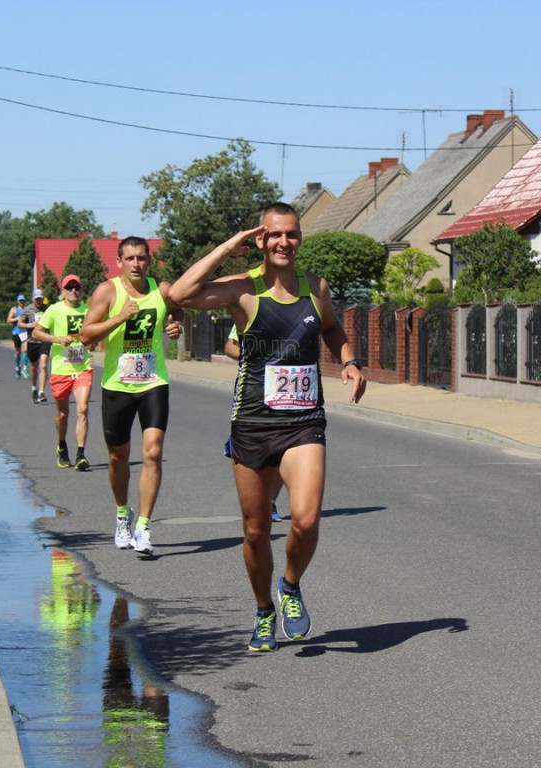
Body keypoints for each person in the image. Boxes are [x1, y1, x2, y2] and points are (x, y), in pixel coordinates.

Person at [169, 202, 366, 653]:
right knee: (256, 530)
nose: (284, 243)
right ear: (260, 239)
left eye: (291, 235)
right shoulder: (242, 290)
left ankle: (290, 586)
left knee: (307, 517)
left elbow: (332, 330)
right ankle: (263, 610)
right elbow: (180, 294)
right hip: (254, 423)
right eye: (274, 235)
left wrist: (350, 362)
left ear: (300, 238)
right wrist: (227, 246)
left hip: (304, 422)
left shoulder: (316, 288)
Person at [80, 236, 183, 556]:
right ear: (119, 262)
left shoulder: (161, 289)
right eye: (130, 259)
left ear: (149, 261)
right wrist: (119, 318)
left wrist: (175, 324)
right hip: (117, 385)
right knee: (117, 457)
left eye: (142, 258)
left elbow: (178, 310)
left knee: (152, 452)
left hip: (153, 382)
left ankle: (143, 527)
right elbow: (85, 335)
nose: (136, 264)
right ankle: (123, 514)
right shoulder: (108, 291)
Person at [33, 274, 94, 471]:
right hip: (61, 369)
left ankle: (81, 454)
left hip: (83, 367)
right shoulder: (54, 310)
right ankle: (62, 445)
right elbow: (36, 332)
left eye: (77, 287)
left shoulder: (88, 310)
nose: (74, 291)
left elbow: (96, 332)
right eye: (70, 288)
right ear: (63, 290)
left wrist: (93, 341)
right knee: (62, 413)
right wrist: (58, 339)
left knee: (83, 408)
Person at [224, 326, 283, 522]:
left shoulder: (296, 309)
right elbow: (230, 347)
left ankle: (271, 501)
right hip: (253, 389)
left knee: (284, 451)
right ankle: (257, 501)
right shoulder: (249, 309)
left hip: (285, 392)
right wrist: (255, 356)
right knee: (257, 451)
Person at [20, 289, 50, 403]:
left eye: (41, 298)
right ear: (33, 299)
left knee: (43, 364)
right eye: (37, 299)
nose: (39, 301)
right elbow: (19, 323)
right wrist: (29, 324)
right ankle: (34, 388)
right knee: (34, 367)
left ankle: (41, 392)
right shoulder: (28, 309)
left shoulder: (48, 309)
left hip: (45, 340)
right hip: (32, 340)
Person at [7, 295, 30, 379]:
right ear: (17, 301)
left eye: (23, 300)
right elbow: (8, 320)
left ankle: (25, 368)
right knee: (17, 352)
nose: (22, 302)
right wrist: (17, 318)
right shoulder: (14, 309)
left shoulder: (27, 309)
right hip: (16, 332)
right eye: (20, 301)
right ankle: (17, 368)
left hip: (25, 332)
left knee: (26, 350)